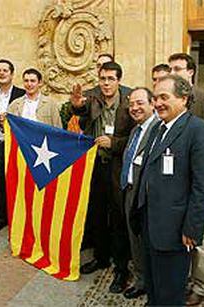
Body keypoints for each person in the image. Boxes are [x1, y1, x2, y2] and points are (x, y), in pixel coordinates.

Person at [137, 75, 204, 306]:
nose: (158, 103)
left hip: (175, 230)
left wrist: (193, 228)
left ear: (183, 99)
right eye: (155, 98)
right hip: (151, 225)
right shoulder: (157, 129)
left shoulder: (198, 130)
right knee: (154, 289)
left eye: (164, 97)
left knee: (171, 294)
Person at [70, 61, 135, 293]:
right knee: (96, 212)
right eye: (103, 79)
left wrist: (114, 143)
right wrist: (75, 106)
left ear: (119, 80)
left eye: (111, 79)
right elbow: (79, 110)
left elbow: (138, 138)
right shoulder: (92, 97)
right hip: (95, 165)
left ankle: (121, 269)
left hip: (117, 167)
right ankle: (100, 257)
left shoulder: (129, 101)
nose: (106, 83)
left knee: (118, 217)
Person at [168, 52, 204, 306]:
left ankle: (201, 286)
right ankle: (183, 279)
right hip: (174, 180)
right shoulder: (170, 100)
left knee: (200, 233)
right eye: (171, 68)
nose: (173, 72)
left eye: (178, 68)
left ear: (190, 72)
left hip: (198, 179)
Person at [120, 87, 158, 299]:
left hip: (147, 196)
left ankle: (151, 282)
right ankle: (141, 278)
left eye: (140, 103)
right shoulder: (136, 130)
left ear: (152, 104)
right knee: (135, 239)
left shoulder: (158, 130)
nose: (134, 108)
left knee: (148, 241)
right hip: (130, 191)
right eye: (131, 104)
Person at [0, 59, 25, 234]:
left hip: (16, 145)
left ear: (11, 73)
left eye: (5, 70)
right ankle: (1, 217)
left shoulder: (22, 94)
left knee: (17, 181)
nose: (2, 73)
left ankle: (17, 217)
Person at [60, 53, 114, 131]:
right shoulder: (88, 95)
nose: (102, 69)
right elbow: (74, 115)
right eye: (99, 66)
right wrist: (76, 107)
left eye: (106, 65)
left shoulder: (126, 94)